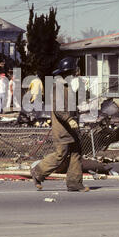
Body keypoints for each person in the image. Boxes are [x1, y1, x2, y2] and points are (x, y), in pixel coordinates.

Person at [30, 57, 89, 192]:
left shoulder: (67, 88)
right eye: (74, 72)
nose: (76, 74)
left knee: (76, 152)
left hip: (71, 128)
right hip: (62, 129)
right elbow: (59, 109)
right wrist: (69, 120)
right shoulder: (59, 88)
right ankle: (37, 172)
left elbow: (69, 107)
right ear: (68, 73)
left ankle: (74, 183)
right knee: (60, 154)